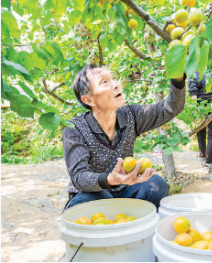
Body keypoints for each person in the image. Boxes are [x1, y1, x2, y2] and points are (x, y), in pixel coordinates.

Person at [62, 63, 186, 211]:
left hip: (126, 189)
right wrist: (110, 179)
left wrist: (178, 76)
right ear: (89, 100)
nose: (115, 85)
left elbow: (170, 108)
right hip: (93, 195)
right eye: (104, 82)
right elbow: (79, 178)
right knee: (100, 201)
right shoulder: (74, 128)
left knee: (156, 185)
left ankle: (137, 226)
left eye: (113, 78)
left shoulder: (131, 115)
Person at [188, 71, 212, 173]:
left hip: (201, 107)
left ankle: (202, 157)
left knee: (200, 132)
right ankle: (208, 164)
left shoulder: (193, 74)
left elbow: (193, 92)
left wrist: (194, 109)